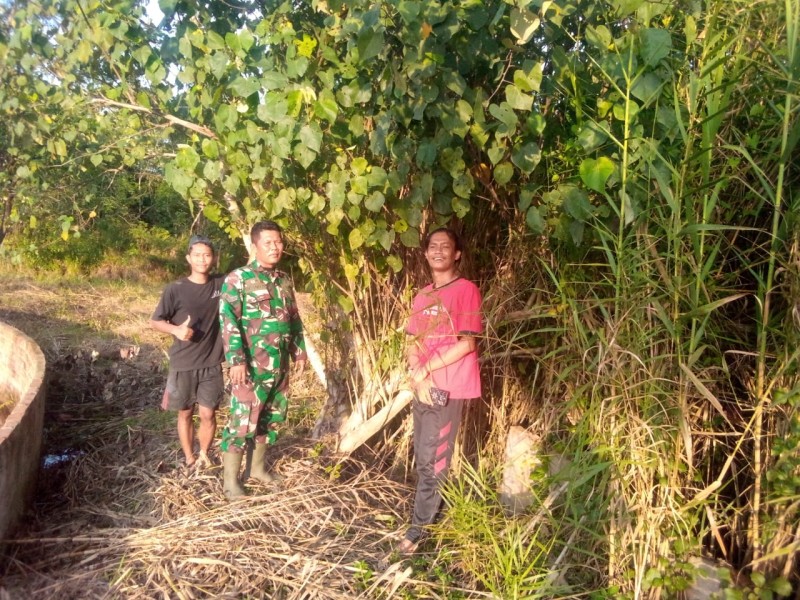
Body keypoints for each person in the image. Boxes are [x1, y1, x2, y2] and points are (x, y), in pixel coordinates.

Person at [400, 227, 483, 554]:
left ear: (457, 254)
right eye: (432, 246)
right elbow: (412, 340)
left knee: (433, 461)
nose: (438, 251)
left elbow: (467, 343)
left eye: (445, 246)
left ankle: (418, 533)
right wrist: (416, 371)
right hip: (423, 386)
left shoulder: (466, 290)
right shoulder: (422, 295)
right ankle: (433, 518)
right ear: (425, 253)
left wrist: (427, 370)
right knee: (424, 458)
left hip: (446, 387)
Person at [219, 220, 307, 499]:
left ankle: (256, 469)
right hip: (250, 367)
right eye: (268, 242)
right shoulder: (239, 279)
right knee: (242, 420)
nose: (274, 247)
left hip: (278, 365)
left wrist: (299, 352)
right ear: (255, 245)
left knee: (270, 417)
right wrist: (236, 360)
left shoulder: (283, 280)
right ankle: (230, 483)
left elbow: (294, 319)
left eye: (278, 241)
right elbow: (228, 320)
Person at [151, 235, 225, 470]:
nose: (202, 260)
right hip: (183, 363)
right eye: (197, 255)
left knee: (208, 414)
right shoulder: (175, 289)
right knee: (185, 413)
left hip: (212, 362)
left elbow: (248, 268)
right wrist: (176, 330)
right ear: (188, 258)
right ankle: (189, 458)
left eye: (207, 255)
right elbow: (155, 321)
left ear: (214, 258)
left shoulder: (221, 284)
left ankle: (203, 455)